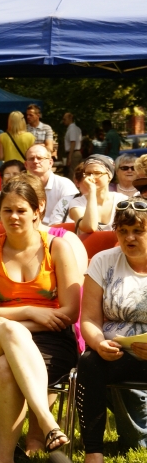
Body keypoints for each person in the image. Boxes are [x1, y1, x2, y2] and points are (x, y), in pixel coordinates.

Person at [0, 177, 81, 462]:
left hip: (52, 341)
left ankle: (4, 458)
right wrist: (30, 312)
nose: (13, 217)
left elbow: (71, 311)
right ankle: (47, 422)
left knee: (6, 366)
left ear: (37, 210)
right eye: (7, 210)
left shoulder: (57, 248)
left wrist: (15, 323)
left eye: (21, 210)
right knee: (10, 332)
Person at [77, 197, 147, 463]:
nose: (129, 238)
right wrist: (98, 343)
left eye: (138, 231)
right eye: (122, 230)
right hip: (116, 352)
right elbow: (89, 319)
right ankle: (93, 452)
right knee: (89, 362)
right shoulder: (103, 261)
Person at [66, 154, 127, 235]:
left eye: (97, 173)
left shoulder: (122, 201)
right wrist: (92, 191)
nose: (91, 177)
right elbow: (89, 227)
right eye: (88, 173)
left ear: (109, 176)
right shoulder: (77, 203)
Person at [24, 144, 78, 226]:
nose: (35, 161)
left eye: (39, 158)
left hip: (57, 230)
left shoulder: (65, 185)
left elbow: (70, 218)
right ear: (26, 165)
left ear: (50, 163)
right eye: (31, 158)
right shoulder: (22, 186)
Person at [62, 113, 83, 180]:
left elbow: (73, 142)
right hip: (78, 152)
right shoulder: (78, 128)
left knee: (72, 173)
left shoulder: (72, 129)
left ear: (70, 119)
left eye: (65, 119)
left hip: (73, 153)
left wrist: (70, 157)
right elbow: (80, 141)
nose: (63, 121)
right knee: (78, 173)